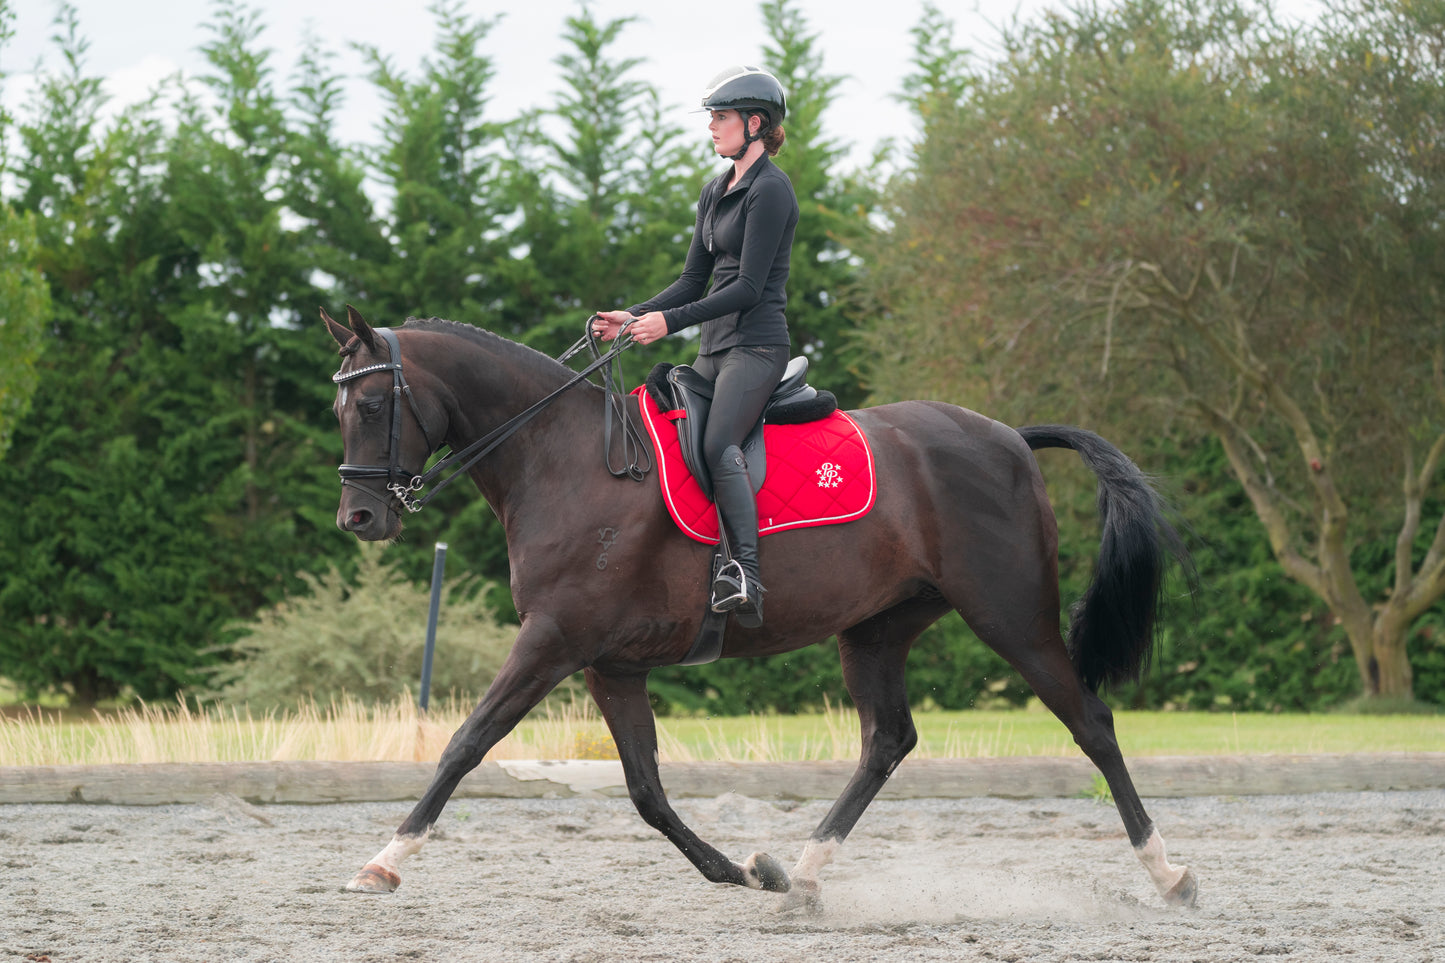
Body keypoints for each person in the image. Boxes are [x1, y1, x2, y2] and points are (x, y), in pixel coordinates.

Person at [593, 65, 799, 629]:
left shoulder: (772, 191)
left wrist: (668, 323)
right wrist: (632, 315)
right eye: (711, 117)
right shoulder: (716, 190)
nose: (712, 127)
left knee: (716, 446)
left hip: (756, 349)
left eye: (721, 117)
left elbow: (746, 289)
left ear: (755, 124)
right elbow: (692, 281)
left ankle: (745, 575)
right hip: (713, 351)